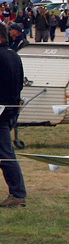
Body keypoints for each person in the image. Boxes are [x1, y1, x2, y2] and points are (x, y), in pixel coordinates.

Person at [0, 25, 27, 208]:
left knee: (5, 154)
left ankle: (18, 194)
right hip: (10, 111)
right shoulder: (13, 55)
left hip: (1, 113)